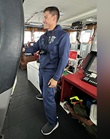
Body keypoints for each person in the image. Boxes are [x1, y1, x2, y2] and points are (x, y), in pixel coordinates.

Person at [23, 6, 70, 135]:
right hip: (42, 68)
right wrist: (21, 49)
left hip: (51, 72)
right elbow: (35, 48)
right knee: (42, 87)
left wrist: (56, 78)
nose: (43, 20)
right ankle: (44, 93)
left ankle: (53, 122)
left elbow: (64, 59)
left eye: (45, 17)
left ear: (54, 18)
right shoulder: (44, 36)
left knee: (48, 98)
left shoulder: (63, 36)